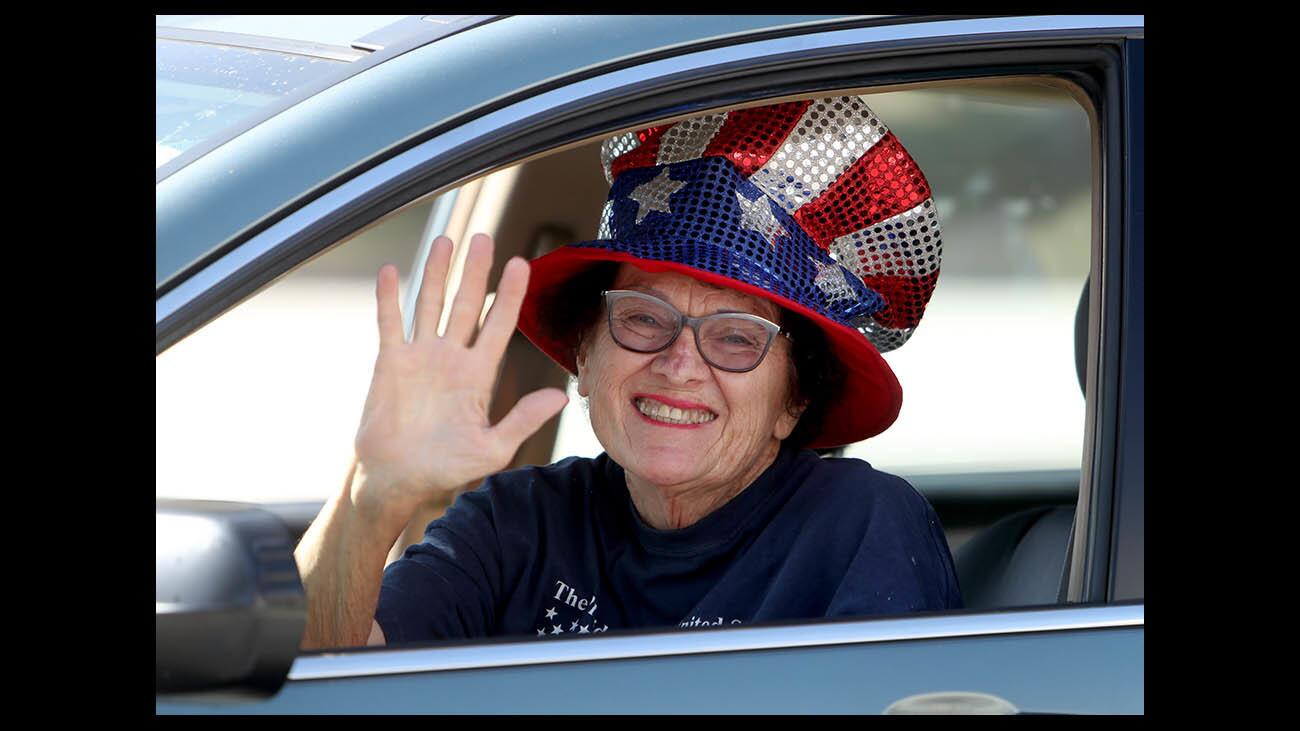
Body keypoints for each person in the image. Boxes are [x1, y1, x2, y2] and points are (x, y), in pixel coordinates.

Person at [294, 96, 960, 649]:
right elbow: (318, 675)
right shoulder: (517, 521)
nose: (677, 364)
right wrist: (369, 502)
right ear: (585, 355)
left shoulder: (861, 524)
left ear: (795, 398)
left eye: (734, 337)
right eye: (642, 318)